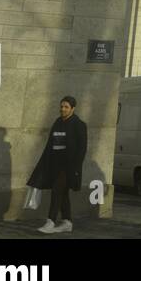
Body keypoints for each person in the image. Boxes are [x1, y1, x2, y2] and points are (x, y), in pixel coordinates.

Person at [28, 95, 87, 234]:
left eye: (66, 107)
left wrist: (76, 169)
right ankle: (67, 221)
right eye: (61, 106)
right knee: (62, 193)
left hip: (69, 167)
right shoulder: (57, 122)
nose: (63, 109)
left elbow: (82, 149)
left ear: (73, 108)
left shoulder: (79, 125)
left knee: (57, 190)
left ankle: (51, 221)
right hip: (55, 164)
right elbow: (50, 144)